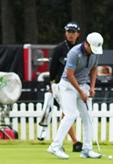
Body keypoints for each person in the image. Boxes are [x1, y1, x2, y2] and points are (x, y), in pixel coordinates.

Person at [47, 32, 104, 160]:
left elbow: (94, 69)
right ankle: (55, 146)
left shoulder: (95, 52)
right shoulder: (74, 52)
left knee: (88, 117)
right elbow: (69, 74)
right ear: (86, 44)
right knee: (71, 114)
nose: (93, 51)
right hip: (68, 85)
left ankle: (87, 150)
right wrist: (81, 91)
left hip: (83, 85)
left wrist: (92, 87)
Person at [38, 22, 83, 152]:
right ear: (65, 33)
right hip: (60, 84)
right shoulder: (59, 49)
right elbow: (52, 69)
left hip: (75, 84)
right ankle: (73, 142)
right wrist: (52, 83)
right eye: (68, 32)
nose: (70, 34)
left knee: (67, 114)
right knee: (68, 113)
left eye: (73, 32)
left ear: (78, 34)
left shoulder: (80, 49)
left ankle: (64, 143)